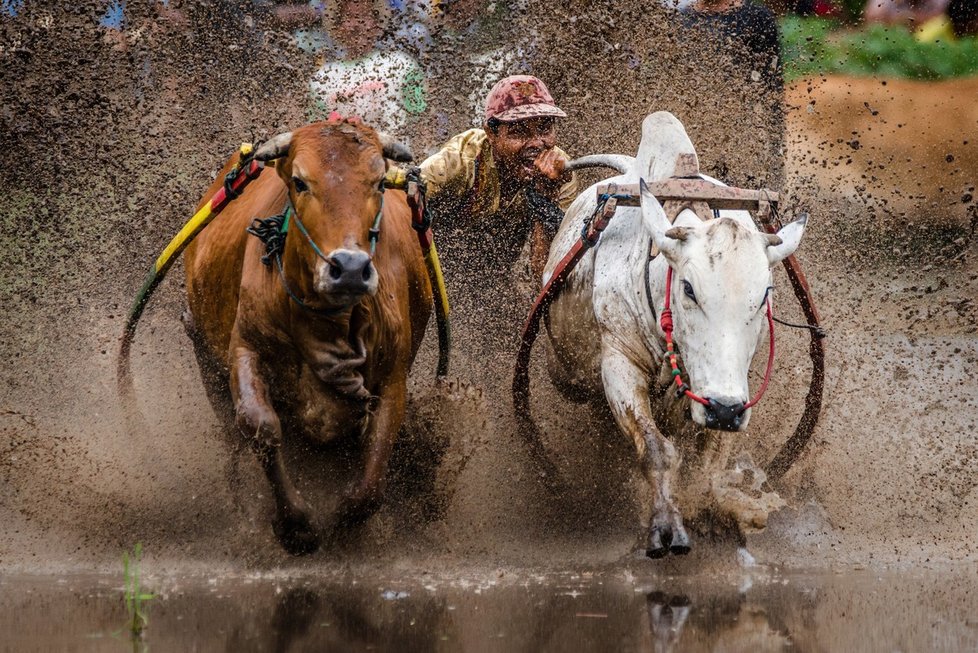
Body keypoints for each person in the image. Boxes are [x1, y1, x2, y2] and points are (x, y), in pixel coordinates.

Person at [418, 75, 579, 285]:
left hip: (496, 279)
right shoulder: (458, 162)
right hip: (432, 270)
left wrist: (546, 195)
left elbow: (545, 277)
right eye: (518, 132)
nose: (536, 144)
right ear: (491, 134)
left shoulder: (562, 173)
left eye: (544, 129)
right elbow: (402, 202)